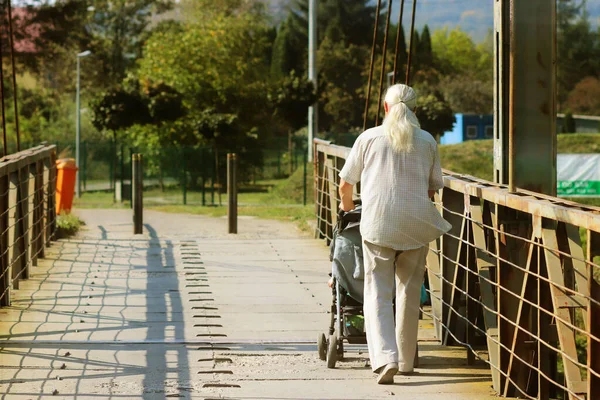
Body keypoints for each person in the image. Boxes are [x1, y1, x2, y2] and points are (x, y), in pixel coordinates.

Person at [338, 84, 451, 385]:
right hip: (415, 225)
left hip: (378, 225)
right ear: (414, 109)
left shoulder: (368, 138)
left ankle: (385, 359)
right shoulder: (427, 140)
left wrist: (347, 209)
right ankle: (406, 361)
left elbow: (346, 185)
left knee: (377, 292)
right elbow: (431, 188)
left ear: (385, 107)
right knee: (409, 292)